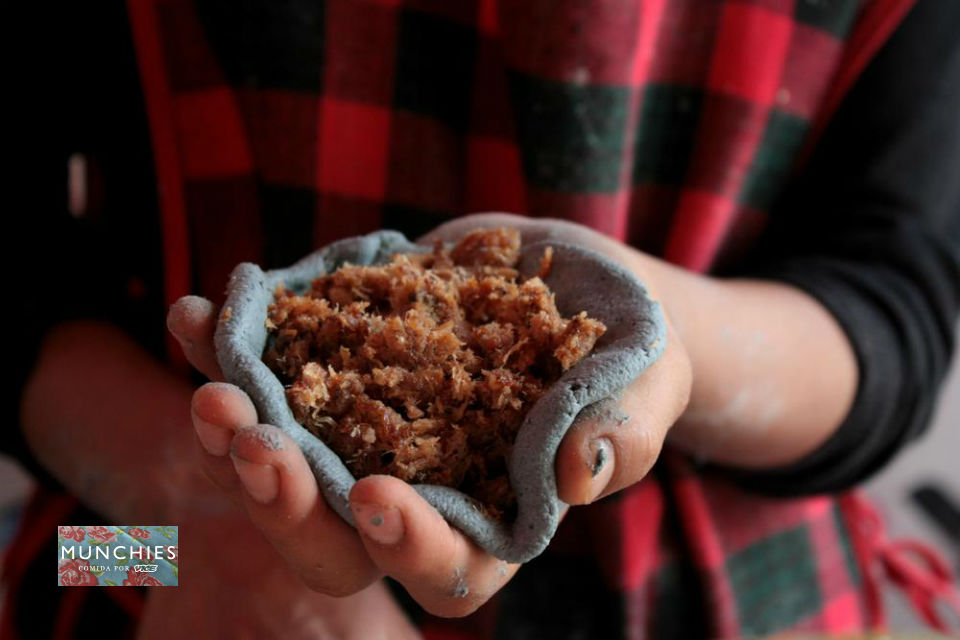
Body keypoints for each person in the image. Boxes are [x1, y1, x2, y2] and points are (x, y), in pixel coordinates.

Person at [6, 0, 959, 637]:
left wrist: (650, 331)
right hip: (145, 521)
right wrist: (195, 515)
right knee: (75, 565)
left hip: (735, 583)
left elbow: (895, 311)